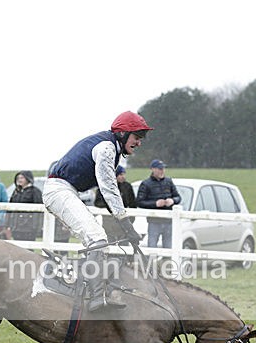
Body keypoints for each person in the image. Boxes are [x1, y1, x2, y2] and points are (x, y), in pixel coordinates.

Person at [43, 110, 150, 312]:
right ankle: (95, 297)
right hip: (59, 190)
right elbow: (108, 187)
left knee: (97, 239)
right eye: (137, 137)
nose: (140, 142)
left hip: (65, 190)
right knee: (97, 238)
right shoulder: (107, 148)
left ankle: (88, 286)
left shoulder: (111, 147)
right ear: (122, 133)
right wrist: (125, 223)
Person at [137, 159, 181, 248]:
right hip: (154, 221)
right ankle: (151, 262)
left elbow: (178, 197)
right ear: (153, 169)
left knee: (169, 248)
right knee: (152, 247)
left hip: (168, 220)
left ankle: (168, 262)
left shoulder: (169, 181)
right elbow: (139, 202)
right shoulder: (146, 184)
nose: (162, 171)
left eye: (163, 168)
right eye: (160, 169)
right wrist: (155, 204)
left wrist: (173, 201)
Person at [94, 165, 136, 241]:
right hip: (109, 224)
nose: (123, 177)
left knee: (124, 248)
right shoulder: (103, 187)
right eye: (120, 174)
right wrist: (113, 206)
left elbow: (133, 204)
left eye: (124, 174)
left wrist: (131, 220)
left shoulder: (127, 187)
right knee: (110, 248)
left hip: (123, 225)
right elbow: (97, 203)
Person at [6, 170, 43, 241]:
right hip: (16, 226)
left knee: (28, 250)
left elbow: (39, 211)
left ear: (28, 178)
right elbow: (10, 208)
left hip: (29, 227)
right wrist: (8, 224)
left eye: (22, 178)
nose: (19, 180)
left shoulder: (35, 191)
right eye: (18, 178)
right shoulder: (16, 191)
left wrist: (36, 227)